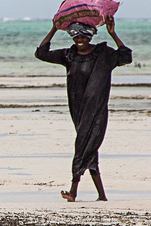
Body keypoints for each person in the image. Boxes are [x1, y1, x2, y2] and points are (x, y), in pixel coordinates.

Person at [36, 15, 132, 201]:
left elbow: (126, 57)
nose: (80, 40)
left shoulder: (103, 55)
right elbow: (41, 53)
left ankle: (74, 190)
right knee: (89, 149)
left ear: (91, 36)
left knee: (84, 146)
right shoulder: (68, 56)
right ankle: (101, 196)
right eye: (76, 37)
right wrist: (54, 29)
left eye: (83, 37)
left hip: (96, 110)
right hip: (78, 110)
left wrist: (113, 34)